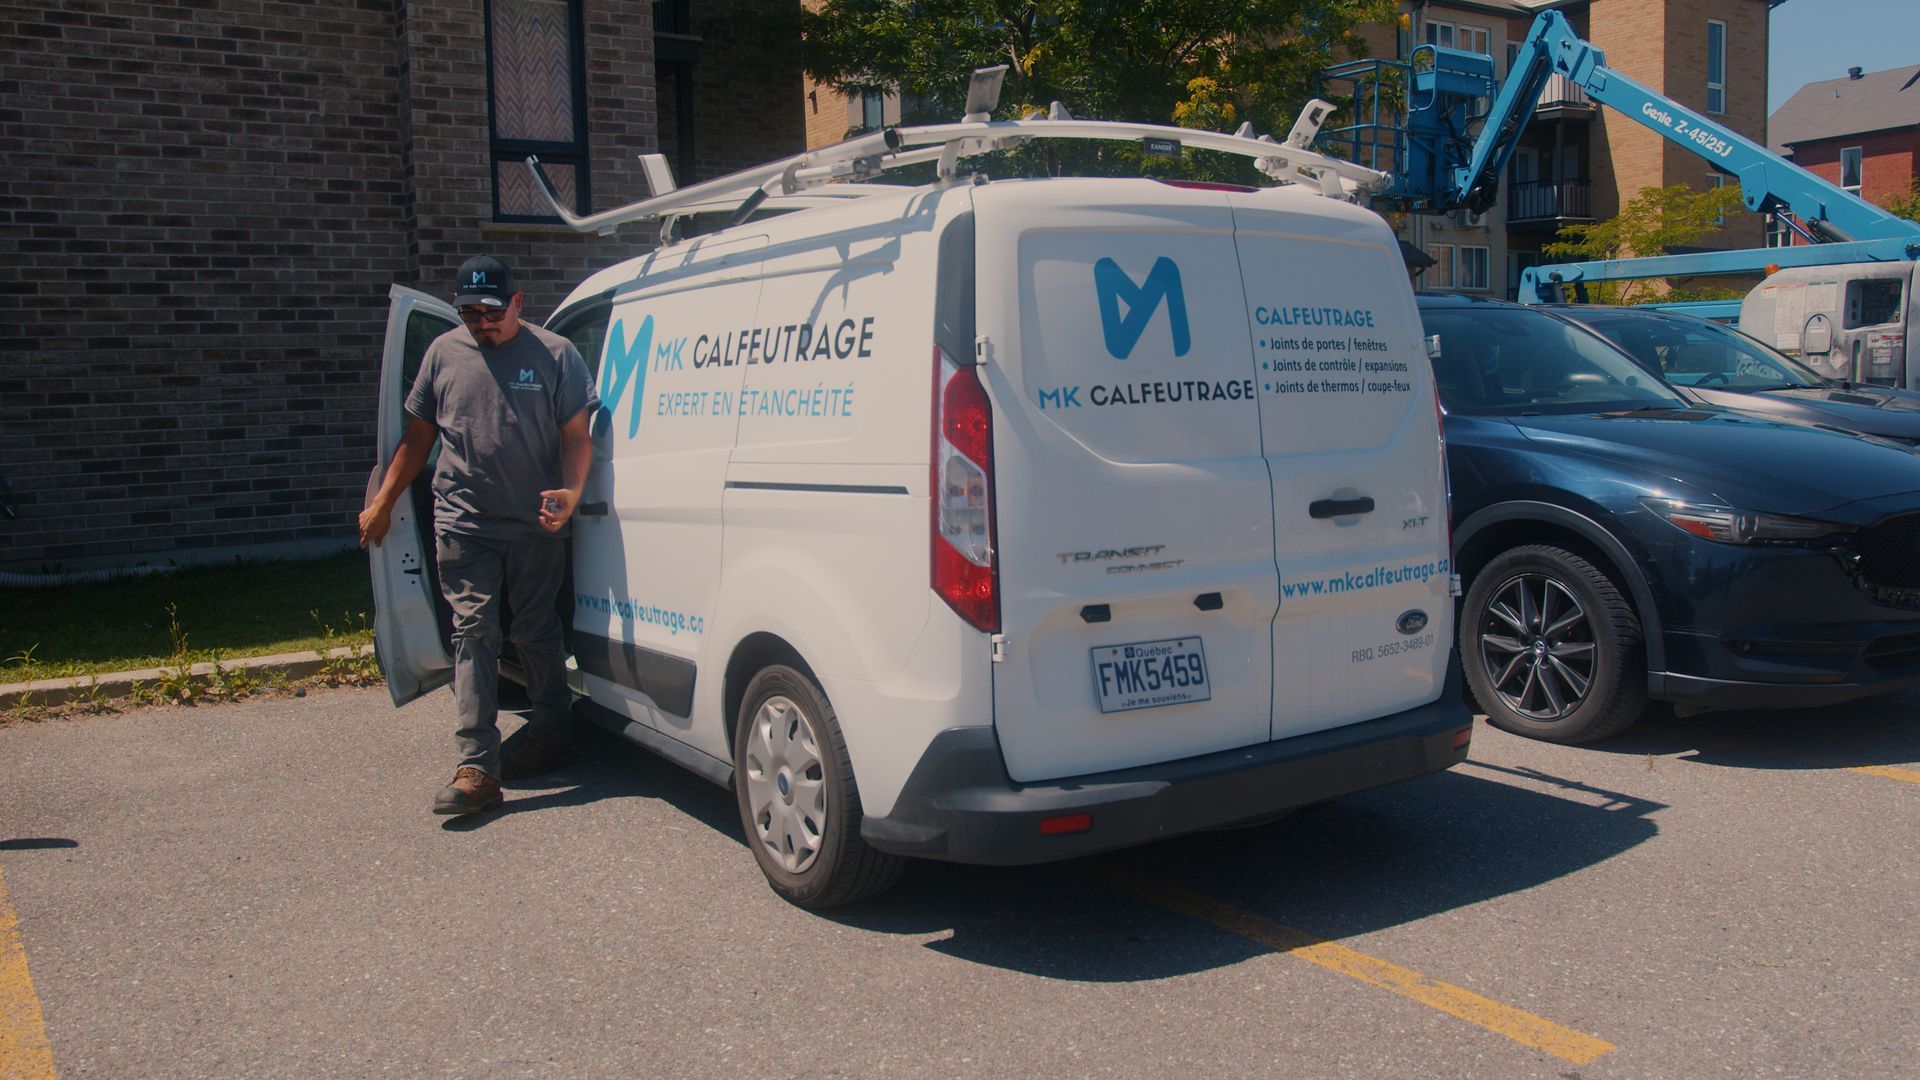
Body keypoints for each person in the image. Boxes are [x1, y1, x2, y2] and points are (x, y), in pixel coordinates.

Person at [359, 255, 597, 816]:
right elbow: (416, 439)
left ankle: (552, 731)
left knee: (538, 630)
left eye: (491, 312)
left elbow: (577, 437)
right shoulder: (443, 353)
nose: (481, 323)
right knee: (475, 633)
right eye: (470, 313)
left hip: (535, 523)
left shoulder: (555, 354)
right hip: (463, 520)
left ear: (517, 303)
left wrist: (572, 493)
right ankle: (477, 767)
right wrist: (384, 501)